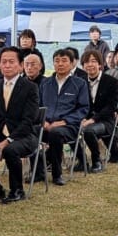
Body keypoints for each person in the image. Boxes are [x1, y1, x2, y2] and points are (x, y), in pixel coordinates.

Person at [0, 46, 41, 204]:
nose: (7, 65)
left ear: (21, 65)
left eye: (11, 62)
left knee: (10, 149)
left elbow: (29, 121)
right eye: (4, 62)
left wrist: (8, 140)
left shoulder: (30, 88)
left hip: (24, 136)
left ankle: (17, 190)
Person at [37, 48, 89, 186]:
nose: (60, 64)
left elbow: (83, 109)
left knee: (55, 134)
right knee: (29, 131)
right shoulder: (45, 83)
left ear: (72, 64)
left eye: (64, 60)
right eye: (57, 61)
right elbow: (38, 106)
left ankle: (56, 174)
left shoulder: (80, 84)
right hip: (46, 124)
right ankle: (38, 171)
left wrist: (64, 121)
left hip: (69, 126)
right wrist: (43, 121)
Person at [78, 50, 118, 173]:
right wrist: (82, 117)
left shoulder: (111, 81)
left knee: (88, 131)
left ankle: (96, 161)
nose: (90, 65)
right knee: (69, 129)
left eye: (93, 61)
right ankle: (81, 160)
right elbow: (78, 104)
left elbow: (110, 107)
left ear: (100, 64)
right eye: (86, 62)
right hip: (86, 119)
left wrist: (92, 120)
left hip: (105, 120)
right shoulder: (80, 81)